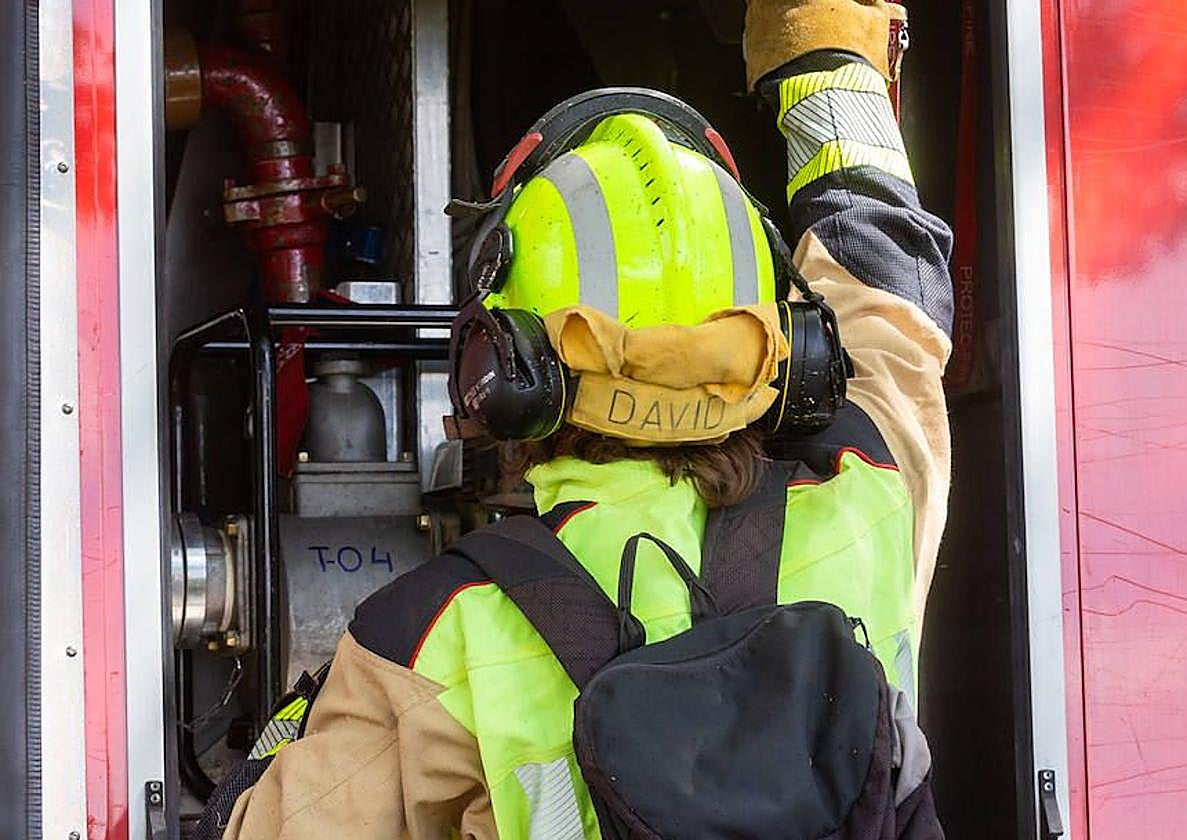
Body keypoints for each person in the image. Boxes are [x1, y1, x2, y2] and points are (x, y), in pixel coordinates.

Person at [222, 0, 953, 836]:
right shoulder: (867, 494)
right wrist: (828, 56)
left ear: (501, 366)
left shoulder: (439, 637)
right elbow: (891, 293)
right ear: (788, 347)